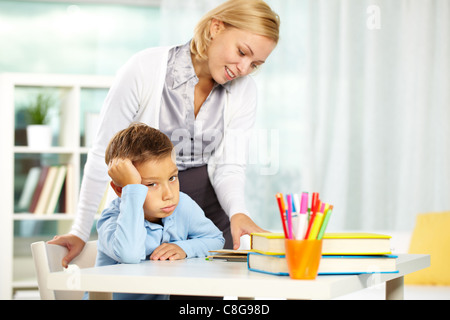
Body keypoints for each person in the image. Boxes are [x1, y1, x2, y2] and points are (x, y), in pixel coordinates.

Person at [49, 0, 280, 268]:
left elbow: (230, 166)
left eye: (255, 64)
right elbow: (104, 153)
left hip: (203, 217)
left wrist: (238, 213)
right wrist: (80, 230)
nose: (243, 68)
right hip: (142, 207)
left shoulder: (244, 90)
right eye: (242, 52)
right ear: (215, 28)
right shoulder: (144, 68)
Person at [93, 123, 224, 300]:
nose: (169, 194)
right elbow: (129, 254)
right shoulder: (112, 219)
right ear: (121, 190)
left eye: (172, 178)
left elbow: (216, 240)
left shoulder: (182, 206)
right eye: (151, 184)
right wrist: (131, 189)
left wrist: (184, 248)